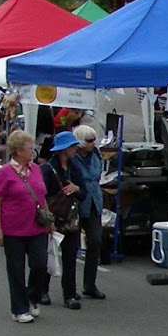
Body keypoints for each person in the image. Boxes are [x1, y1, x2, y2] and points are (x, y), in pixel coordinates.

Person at [0, 130, 51, 322]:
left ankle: (32, 296)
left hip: (37, 227)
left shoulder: (36, 169)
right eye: (29, 148)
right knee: (16, 269)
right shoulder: (5, 173)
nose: (32, 151)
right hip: (13, 229)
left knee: (40, 264)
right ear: (17, 151)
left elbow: (41, 196)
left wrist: (49, 219)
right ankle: (19, 308)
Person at [41, 131, 84, 308]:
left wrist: (77, 188)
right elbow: (41, 195)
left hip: (70, 218)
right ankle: (42, 290)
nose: (76, 149)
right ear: (63, 149)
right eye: (73, 146)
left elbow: (83, 193)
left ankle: (69, 294)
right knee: (48, 255)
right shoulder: (47, 169)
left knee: (70, 257)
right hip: (52, 217)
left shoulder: (75, 167)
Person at [68, 123, 106, 300]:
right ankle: (70, 288)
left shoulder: (96, 154)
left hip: (94, 202)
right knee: (71, 246)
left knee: (96, 241)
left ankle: (90, 284)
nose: (93, 143)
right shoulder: (71, 158)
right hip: (76, 204)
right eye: (90, 140)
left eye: (93, 140)